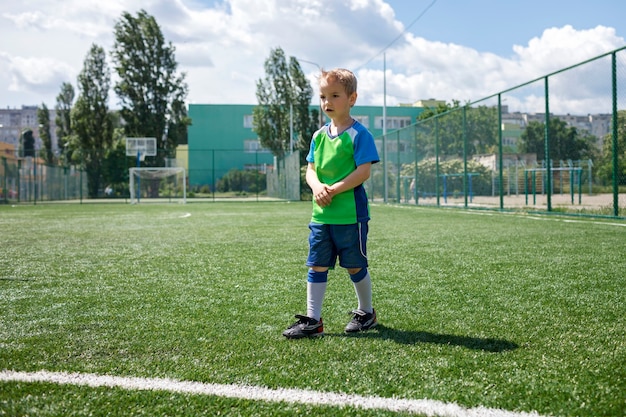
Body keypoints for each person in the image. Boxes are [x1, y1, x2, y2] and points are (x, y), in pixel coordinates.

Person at [283, 68, 380, 339]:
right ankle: (313, 320)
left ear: (352, 98)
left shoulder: (360, 135)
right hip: (321, 216)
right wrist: (316, 187)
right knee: (317, 264)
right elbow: (310, 170)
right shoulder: (318, 136)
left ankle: (366, 312)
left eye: (335, 95)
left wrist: (334, 189)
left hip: (351, 215)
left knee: (354, 265)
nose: (327, 102)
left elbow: (363, 172)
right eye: (323, 96)